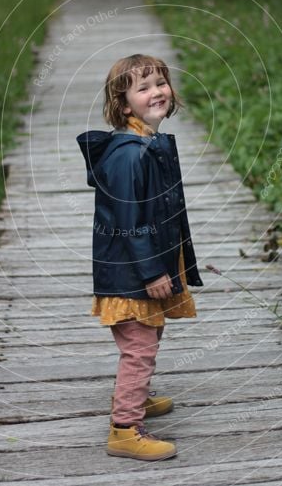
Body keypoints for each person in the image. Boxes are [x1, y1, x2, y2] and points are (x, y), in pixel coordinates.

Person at [76, 53, 203, 461]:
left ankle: (138, 396)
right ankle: (125, 429)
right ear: (124, 104)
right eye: (143, 87)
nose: (156, 92)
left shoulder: (148, 143)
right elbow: (129, 220)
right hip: (130, 274)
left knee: (149, 335)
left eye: (160, 82)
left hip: (141, 267)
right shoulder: (130, 154)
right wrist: (151, 272)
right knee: (140, 346)